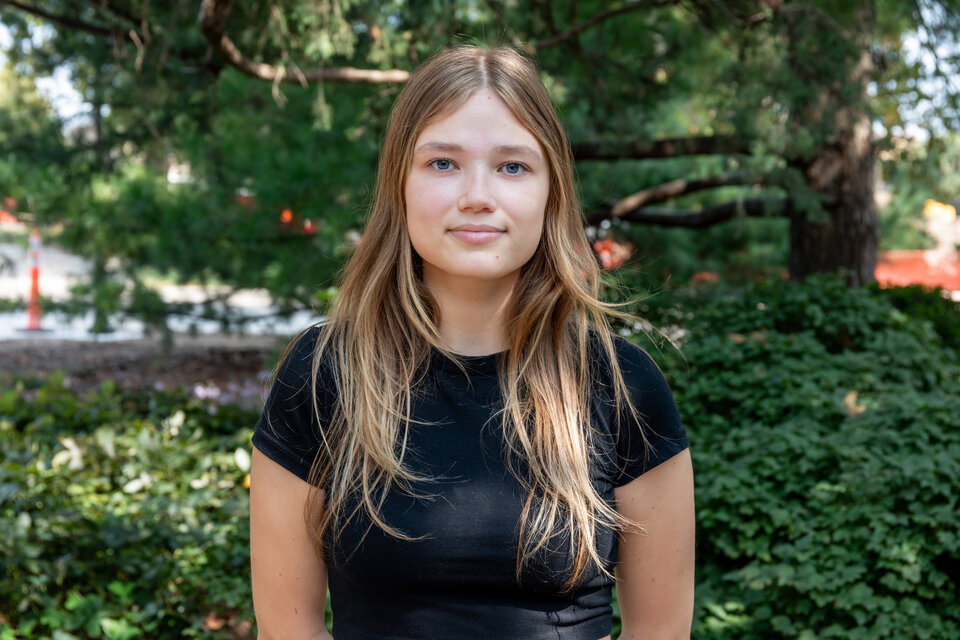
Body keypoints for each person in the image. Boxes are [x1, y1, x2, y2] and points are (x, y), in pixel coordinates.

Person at [249, 45, 695, 640]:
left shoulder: (622, 386)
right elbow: (288, 627)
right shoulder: (323, 372)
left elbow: (659, 632)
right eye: (443, 164)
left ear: (550, 192)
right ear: (399, 184)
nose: (477, 195)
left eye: (512, 166)